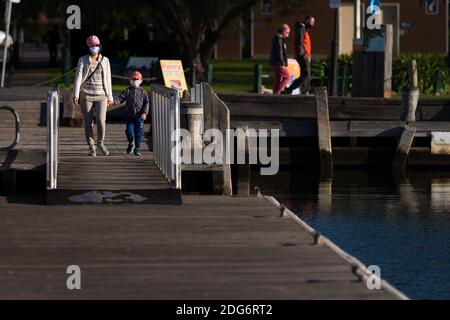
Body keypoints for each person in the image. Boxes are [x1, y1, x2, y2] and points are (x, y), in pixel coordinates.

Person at [73, 35, 114, 157]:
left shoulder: (105, 60)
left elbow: (108, 79)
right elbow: (78, 77)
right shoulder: (83, 60)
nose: (94, 47)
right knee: (88, 122)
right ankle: (91, 147)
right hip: (86, 94)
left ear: (99, 46)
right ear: (88, 47)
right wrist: (76, 94)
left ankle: (100, 143)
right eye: (92, 45)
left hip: (102, 95)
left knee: (101, 121)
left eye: (96, 45)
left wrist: (110, 97)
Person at [112, 71, 149, 157]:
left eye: (137, 79)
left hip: (140, 116)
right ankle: (131, 142)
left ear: (141, 80)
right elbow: (120, 99)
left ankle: (137, 148)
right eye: (133, 79)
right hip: (129, 116)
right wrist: (114, 102)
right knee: (129, 131)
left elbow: (146, 103)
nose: (135, 80)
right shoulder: (127, 91)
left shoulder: (143, 92)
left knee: (139, 132)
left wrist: (144, 113)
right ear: (130, 80)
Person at [285, 16, 315, 95]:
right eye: (312, 22)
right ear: (307, 20)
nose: (313, 24)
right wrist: (303, 54)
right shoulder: (301, 29)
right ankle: (291, 89)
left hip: (305, 55)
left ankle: (304, 91)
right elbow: (299, 42)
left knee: (306, 75)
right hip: (302, 55)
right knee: (306, 74)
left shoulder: (304, 29)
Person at [268, 24, 291, 95]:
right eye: (287, 32)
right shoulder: (279, 40)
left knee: (278, 78)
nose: (288, 34)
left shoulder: (277, 39)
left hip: (275, 63)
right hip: (279, 63)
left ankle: (274, 93)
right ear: (283, 31)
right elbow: (279, 53)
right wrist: (282, 64)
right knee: (287, 77)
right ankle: (277, 93)